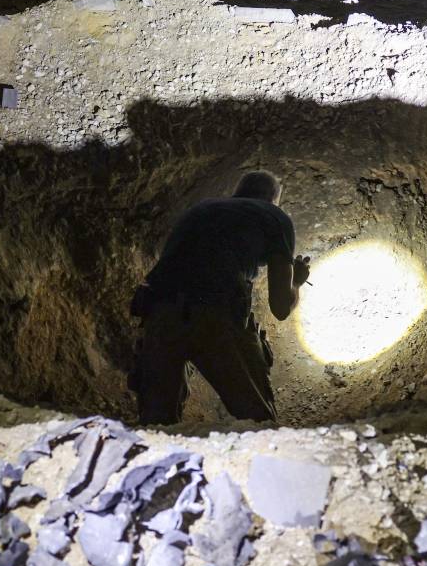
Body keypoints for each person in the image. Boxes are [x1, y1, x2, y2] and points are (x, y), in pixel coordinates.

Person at [129, 170, 310, 425]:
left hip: (159, 313)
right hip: (214, 315)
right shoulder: (275, 216)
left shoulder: (200, 209)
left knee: (157, 425)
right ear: (273, 199)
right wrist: (297, 282)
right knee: (259, 424)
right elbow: (280, 306)